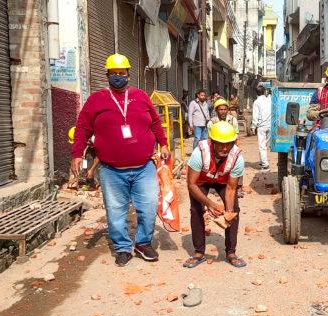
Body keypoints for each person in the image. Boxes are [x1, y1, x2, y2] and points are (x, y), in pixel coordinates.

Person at [71, 54, 170, 267]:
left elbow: (155, 122)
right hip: (111, 170)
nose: (118, 77)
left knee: (149, 207)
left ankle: (143, 243)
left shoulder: (141, 96)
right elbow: (82, 128)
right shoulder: (96, 100)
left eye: (121, 73)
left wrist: (163, 143)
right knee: (116, 211)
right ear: (107, 75)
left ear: (128, 75)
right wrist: (77, 154)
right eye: (113, 73)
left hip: (144, 167)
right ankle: (123, 248)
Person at [183, 121, 246, 268]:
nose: (225, 148)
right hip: (200, 181)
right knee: (196, 209)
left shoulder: (237, 157)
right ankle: (199, 251)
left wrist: (229, 211)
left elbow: (231, 188)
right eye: (221, 144)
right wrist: (209, 204)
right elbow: (191, 184)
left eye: (229, 144)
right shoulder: (200, 152)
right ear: (212, 142)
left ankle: (231, 252)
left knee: (234, 211)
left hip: (223, 181)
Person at [252, 86, 272, 172]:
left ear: (256, 93)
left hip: (261, 127)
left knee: (262, 146)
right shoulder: (269, 100)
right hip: (270, 126)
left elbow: (255, 116)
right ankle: (263, 161)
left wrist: (253, 127)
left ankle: (265, 166)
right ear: (264, 92)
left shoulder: (257, 102)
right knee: (264, 145)